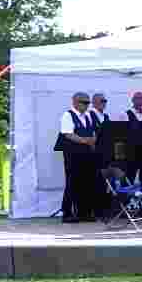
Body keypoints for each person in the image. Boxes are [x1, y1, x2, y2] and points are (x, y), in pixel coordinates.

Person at [57, 92, 97, 223]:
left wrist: (93, 140)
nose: (86, 105)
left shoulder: (89, 116)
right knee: (72, 183)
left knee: (87, 183)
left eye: (88, 103)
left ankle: (84, 212)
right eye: (84, 102)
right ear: (74, 102)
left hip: (87, 154)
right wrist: (86, 141)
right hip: (73, 154)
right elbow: (68, 134)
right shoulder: (68, 115)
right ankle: (67, 212)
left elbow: (92, 131)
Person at [121, 91, 142, 186]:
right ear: (132, 100)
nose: (139, 101)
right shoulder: (125, 115)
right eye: (137, 98)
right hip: (130, 153)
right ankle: (126, 199)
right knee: (129, 178)